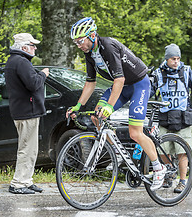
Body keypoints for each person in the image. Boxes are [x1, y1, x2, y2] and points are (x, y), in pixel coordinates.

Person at [66, 17, 166, 191]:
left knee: (135, 132)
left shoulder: (108, 46)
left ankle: (159, 167)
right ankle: (118, 154)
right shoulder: (89, 53)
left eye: (80, 41)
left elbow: (119, 79)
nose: (78, 45)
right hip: (123, 85)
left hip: (139, 84)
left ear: (91, 35)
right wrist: (78, 106)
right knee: (96, 116)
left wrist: (110, 107)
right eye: (76, 42)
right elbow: (90, 82)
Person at [152, 43, 192, 193]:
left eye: (178, 58)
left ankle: (182, 182)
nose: (176, 62)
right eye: (173, 59)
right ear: (167, 59)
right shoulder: (158, 73)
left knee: (183, 152)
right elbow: (149, 92)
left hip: (184, 119)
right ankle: (169, 173)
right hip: (165, 118)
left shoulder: (187, 71)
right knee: (162, 150)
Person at [5, 33, 49, 194]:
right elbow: (34, 84)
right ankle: (18, 184)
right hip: (27, 112)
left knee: (31, 149)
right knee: (27, 149)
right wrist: (43, 74)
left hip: (22, 111)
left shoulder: (14, 61)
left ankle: (27, 181)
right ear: (24, 47)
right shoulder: (21, 62)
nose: (35, 48)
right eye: (32, 45)